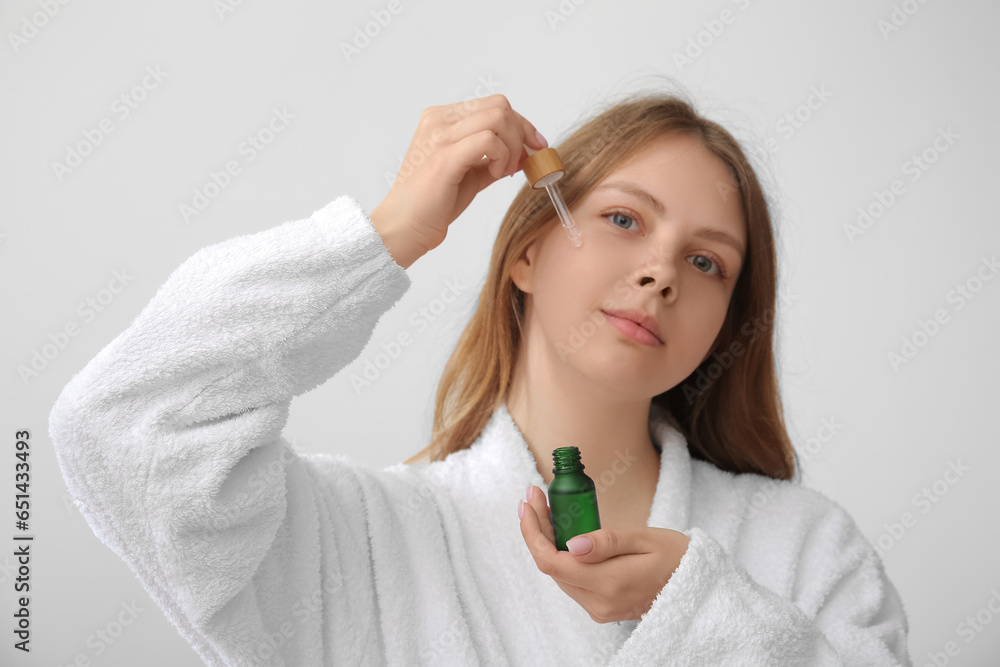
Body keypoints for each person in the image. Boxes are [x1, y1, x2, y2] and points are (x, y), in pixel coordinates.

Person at [49, 91, 911, 666]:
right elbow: (127, 425)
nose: (660, 273)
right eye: (621, 219)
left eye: (706, 260)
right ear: (528, 249)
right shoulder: (364, 543)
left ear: (727, 318)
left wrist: (702, 610)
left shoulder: (807, 551)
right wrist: (387, 232)